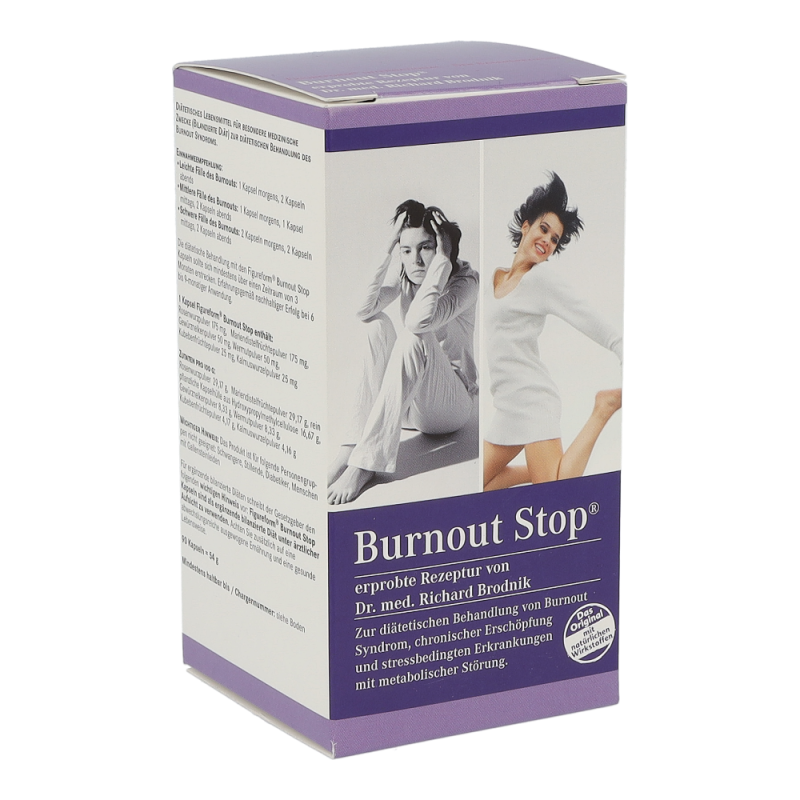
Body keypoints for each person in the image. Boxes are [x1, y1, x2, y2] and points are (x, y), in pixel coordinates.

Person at [328, 201, 479, 505]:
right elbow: (363, 309)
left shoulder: (465, 282)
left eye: (426, 248)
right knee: (375, 325)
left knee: (414, 336)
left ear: (444, 247)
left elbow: (419, 322)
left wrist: (442, 262)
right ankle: (353, 443)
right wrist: (388, 247)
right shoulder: (407, 274)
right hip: (407, 406)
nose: (416, 260)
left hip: (449, 408)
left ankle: (366, 463)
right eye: (406, 250)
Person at [483, 173, 622, 491]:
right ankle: (542, 471)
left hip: (533, 399)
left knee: (554, 494)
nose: (547, 240)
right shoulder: (494, 277)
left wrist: (621, 346)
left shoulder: (540, 280)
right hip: (506, 403)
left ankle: (603, 408)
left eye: (555, 239)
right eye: (544, 229)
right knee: (481, 484)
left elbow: (584, 313)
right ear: (526, 226)